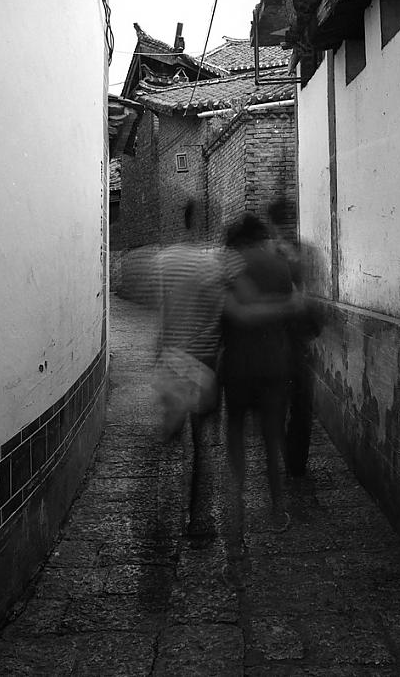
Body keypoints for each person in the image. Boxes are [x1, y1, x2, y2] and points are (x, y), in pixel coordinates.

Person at [221, 213, 299, 532]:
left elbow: (224, 316)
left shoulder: (229, 267)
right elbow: (293, 313)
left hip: (238, 364)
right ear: (260, 237)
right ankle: (277, 509)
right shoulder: (280, 266)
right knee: (271, 437)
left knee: (236, 432)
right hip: (273, 364)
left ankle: (237, 506)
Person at [153, 200, 225, 542]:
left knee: (175, 436)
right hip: (203, 362)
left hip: (173, 357)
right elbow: (220, 318)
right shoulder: (211, 266)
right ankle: (197, 521)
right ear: (206, 222)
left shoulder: (166, 260)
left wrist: (159, 350)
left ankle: (165, 511)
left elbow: (163, 310)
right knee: (202, 444)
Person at [266, 197, 321, 477]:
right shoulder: (271, 255)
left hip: (293, 340)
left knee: (299, 402)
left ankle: (295, 462)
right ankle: (288, 456)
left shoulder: (303, 251)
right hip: (278, 340)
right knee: (287, 401)